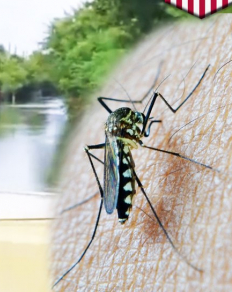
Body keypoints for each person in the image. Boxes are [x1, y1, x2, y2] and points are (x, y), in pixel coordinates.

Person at [50, 14, 232, 291]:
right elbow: (139, 140)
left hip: (117, 146)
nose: (140, 119)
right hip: (120, 159)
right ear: (127, 121)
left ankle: (101, 201)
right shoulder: (124, 128)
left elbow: (133, 130)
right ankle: (109, 229)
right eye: (135, 117)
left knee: (105, 147)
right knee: (134, 172)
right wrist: (183, 157)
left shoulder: (118, 124)